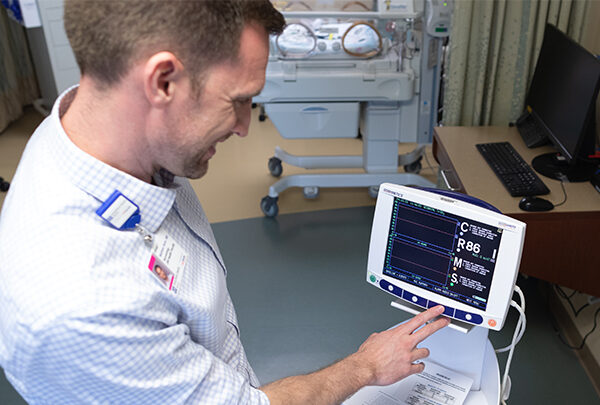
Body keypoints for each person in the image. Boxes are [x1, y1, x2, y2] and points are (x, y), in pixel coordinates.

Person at [0, 1, 449, 404]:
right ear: (162, 81)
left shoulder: (94, 126)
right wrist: (366, 367)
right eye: (237, 101)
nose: (243, 127)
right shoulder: (86, 308)